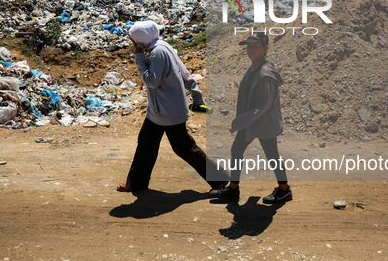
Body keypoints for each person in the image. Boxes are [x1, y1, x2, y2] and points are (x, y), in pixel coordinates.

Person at [117, 20, 228, 192]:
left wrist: (139, 59)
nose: (134, 44)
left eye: (134, 41)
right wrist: (196, 95)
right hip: (160, 110)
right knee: (146, 143)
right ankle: (136, 183)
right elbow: (184, 72)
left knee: (183, 147)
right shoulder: (162, 46)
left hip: (167, 111)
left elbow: (152, 81)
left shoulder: (157, 53)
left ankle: (219, 178)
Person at [210, 30, 292, 204]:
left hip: (262, 123)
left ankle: (284, 189)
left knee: (272, 155)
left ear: (265, 48)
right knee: (237, 149)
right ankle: (233, 189)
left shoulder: (266, 74)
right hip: (251, 122)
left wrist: (240, 121)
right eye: (248, 46)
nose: (250, 50)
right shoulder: (255, 67)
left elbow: (265, 105)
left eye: (255, 46)